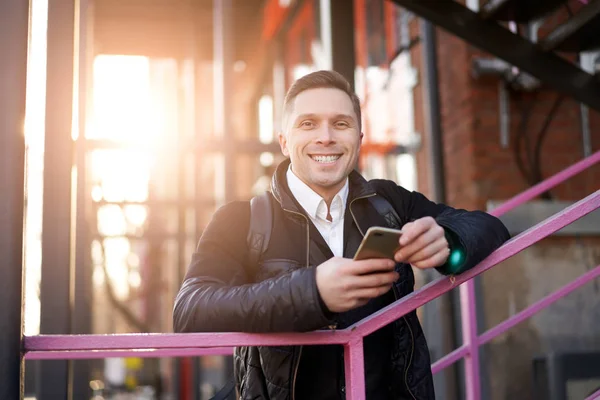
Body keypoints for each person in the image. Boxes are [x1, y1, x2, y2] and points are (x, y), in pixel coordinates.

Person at [173, 70, 510, 399]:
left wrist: (449, 241)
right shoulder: (242, 219)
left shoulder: (389, 202)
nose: (326, 137)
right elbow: (190, 311)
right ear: (284, 142)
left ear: (359, 140)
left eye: (341, 123)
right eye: (308, 123)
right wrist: (313, 292)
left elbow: (490, 227)